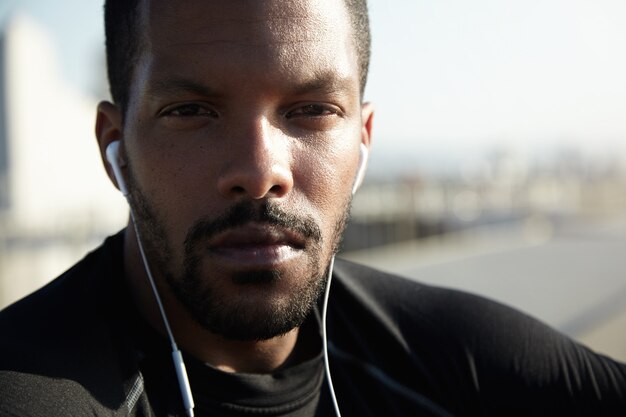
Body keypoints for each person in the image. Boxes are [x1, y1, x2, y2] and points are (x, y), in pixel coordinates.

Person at [1, 0, 625, 416]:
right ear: (117, 148)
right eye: (191, 111)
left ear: (363, 140)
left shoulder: (465, 369)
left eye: (312, 110)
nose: (259, 171)